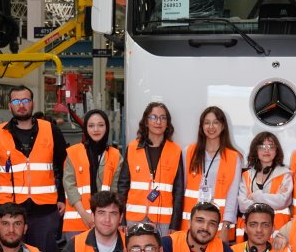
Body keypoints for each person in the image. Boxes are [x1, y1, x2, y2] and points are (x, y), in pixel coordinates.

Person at [0, 84, 69, 252]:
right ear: (9, 105)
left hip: (45, 211)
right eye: (16, 101)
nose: (21, 105)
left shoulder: (50, 130)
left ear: (32, 103)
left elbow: (66, 167)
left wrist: (63, 198)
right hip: (8, 211)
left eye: (25, 100)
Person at [117, 102, 185, 236]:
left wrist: (175, 224)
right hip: (134, 218)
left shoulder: (175, 150)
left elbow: (178, 191)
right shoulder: (133, 148)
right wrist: (122, 218)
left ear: (167, 123)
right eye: (154, 117)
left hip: (164, 221)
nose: (158, 122)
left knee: (163, 250)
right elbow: (122, 187)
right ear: (146, 122)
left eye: (163, 118)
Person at [182, 107, 243, 237]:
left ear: (223, 126)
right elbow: (181, 189)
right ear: (202, 126)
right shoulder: (189, 152)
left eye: (215, 122)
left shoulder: (234, 157)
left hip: (218, 226)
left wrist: (226, 225)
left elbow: (233, 196)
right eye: (207, 122)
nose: (211, 127)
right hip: (189, 224)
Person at [61, 109, 121, 240]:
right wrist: (84, 215)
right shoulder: (73, 153)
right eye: (91, 125)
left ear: (107, 127)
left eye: (101, 125)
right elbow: (70, 187)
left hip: (106, 223)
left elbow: (116, 190)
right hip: (77, 221)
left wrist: (103, 217)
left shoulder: (115, 155)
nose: (96, 129)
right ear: (85, 128)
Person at [235, 131, 293, 242]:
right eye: (262, 147)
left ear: (276, 150)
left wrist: (255, 196)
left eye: (271, 147)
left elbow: (282, 201)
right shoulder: (247, 175)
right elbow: (242, 205)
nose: (266, 150)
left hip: (277, 233)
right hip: (250, 233)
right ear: (255, 150)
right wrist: (272, 198)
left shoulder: (285, 174)